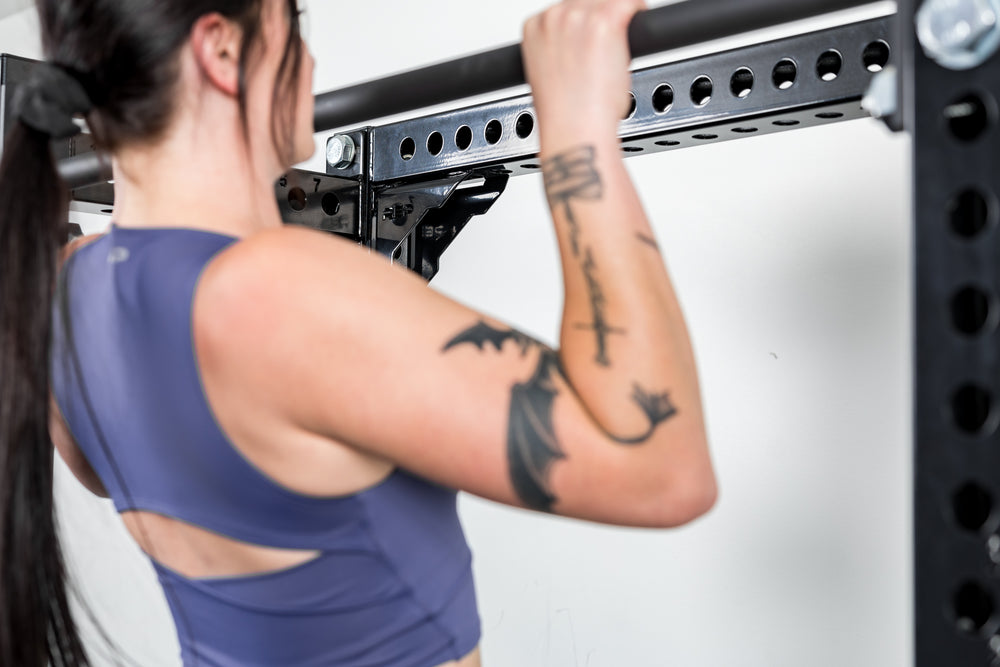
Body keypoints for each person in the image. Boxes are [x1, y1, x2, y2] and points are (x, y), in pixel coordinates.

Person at [0, 0, 717, 664]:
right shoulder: (284, 297)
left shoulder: (67, 290)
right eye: (294, 20)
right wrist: (577, 137)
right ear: (221, 49)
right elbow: (662, 469)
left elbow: (103, 472)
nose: (310, 59)